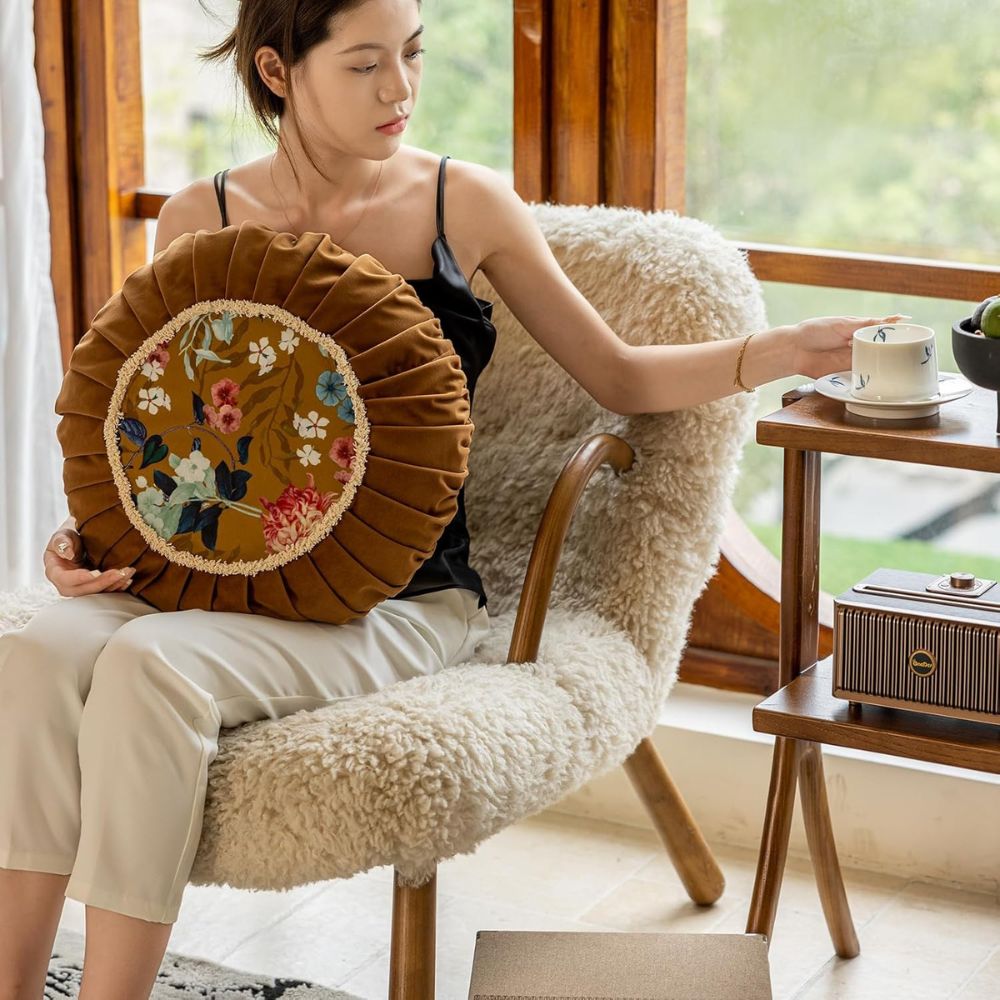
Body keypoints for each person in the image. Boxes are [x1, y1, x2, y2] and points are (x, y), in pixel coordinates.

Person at [0, 0, 907, 995]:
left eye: (413, 55)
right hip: (214, 581)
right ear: (276, 70)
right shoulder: (198, 220)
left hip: (394, 601)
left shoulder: (458, 204)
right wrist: (89, 535)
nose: (400, 88)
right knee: (38, 650)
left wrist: (779, 351)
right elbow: (162, 428)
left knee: (148, 665)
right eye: (364, 64)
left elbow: (618, 375)